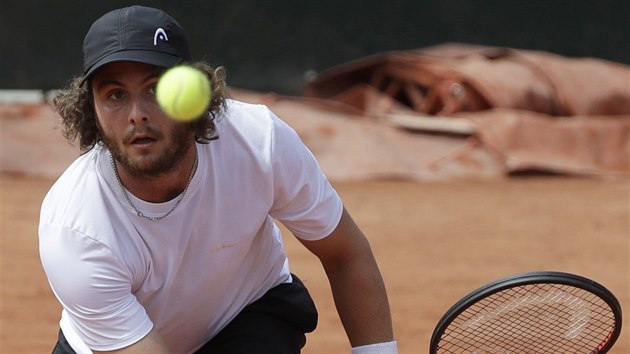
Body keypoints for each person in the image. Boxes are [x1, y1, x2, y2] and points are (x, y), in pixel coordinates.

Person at [39, 5, 397, 354]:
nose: (137, 115)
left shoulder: (259, 143)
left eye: (155, 89)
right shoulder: (77, 230)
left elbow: (345, 253)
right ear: (92, 112)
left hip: (246, 315)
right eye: (115, 95)